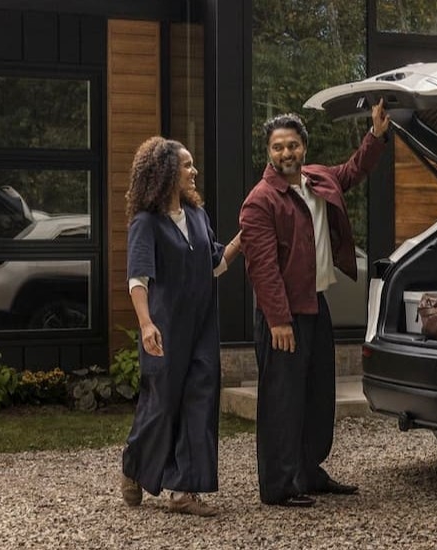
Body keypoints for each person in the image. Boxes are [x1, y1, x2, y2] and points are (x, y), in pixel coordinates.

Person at [239, 101, 389, 507]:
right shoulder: (261, 201)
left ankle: (308, 471)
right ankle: (278, 486)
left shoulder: (319, 179)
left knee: (318, 396)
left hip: (315, 305)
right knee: (282, 402)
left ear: (304, 147)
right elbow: (263, 268)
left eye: (291, 145)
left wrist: (375, 134)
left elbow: (354, 170)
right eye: (277, 147)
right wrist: (278, 321)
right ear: (269, 153)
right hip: (283, 315)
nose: (285, 153)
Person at [119, 137, 242, 516]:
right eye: (187, 165)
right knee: (161, 404)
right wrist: (145, 323)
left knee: (201, 401)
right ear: (166, 172)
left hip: (203, 324)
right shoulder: (146, 223)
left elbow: (213, 263)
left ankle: (184, 491)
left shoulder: (198, 217)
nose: (194, 172)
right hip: (165, 326)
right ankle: (134, 463)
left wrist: (245, 236)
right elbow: (138, 278)